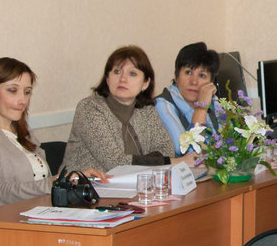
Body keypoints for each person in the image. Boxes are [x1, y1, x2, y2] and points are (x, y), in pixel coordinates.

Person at [0, 58, 101, 214]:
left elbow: (38, 184)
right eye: (12, 90)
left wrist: (71, 181)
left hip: (37, 214)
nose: (22, 100)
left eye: (27, 92)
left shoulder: (21, 129)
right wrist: (52, 184)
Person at [61, 45, 195, 173]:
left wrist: (152, 161)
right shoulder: (90, 109)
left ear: (145, 83)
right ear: (107, 79)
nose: (123, 79)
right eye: (117, 72)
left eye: (132, 73)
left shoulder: (146, 109)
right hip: (85, 186)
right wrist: (171, 162)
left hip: (134, 183)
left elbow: (166, 150)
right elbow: (115, 162)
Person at [155, 41, 220, 155]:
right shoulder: (162, 104)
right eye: (188, 72)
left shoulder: (214, 101)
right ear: (176, 76)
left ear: (211, 83)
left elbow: (231, 144)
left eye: (202, 75)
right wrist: (201, 108)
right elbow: (187, 152)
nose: (194, 81)